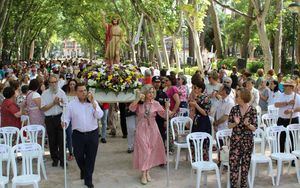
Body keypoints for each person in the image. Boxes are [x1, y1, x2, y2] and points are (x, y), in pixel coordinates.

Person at [62, 82, 103, 188]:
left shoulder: (93, 102)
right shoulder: (71, 105)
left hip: (92, 134)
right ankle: (84, 170)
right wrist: (64, 122)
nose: (83, 93)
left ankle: (88, 179)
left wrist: (94, 104)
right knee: (79, 156)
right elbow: (66, 117)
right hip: (78, 134)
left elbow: (99, 115)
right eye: (81, 91)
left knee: (91, 157)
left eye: (85, 90)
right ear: (76, 92)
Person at [129, 85, 166, 185]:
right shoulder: (139, 104)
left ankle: (146, 172)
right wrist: (137, 98)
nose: (151, 94)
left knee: (150, 151)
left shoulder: (156, 103)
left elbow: (164, 114)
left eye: (152, 92)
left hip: (153, 128)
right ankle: (144, 174)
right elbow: (131, 108)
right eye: (149, 92)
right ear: (144, 93)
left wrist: (169, 109)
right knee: (145, 151)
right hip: (141, 128)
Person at [228, 88, 257, 187]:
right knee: (233, 164)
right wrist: (235, 123)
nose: (236, 98)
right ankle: (233, 185)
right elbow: (229, 125)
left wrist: (248, 124)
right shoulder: (234, 109)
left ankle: (243, 185)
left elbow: (254, 128)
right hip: (235, 141)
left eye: (237, 96)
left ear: (243, 98)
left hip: (247, 142)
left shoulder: (252, 110)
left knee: (245, 165)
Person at [41, 74, 67, 168]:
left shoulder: (61, 92)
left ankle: (63, 161)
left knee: (62, 141)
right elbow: (43, 108)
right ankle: (55, 159)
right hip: (49, 119)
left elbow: (65, 106)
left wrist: (59, 103)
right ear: (49, 83)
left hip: (59, 118)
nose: (54, 84)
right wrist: (53, 103)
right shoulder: (44, 94)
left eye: (55, 82)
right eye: (52, 82)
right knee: (52, 141)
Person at [274, 79, 300, 153]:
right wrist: (287, 103)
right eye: (284, 85)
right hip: (281, 120)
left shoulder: (297, 96)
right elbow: (276, 104)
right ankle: (280, 156)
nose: (284, 87)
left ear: (291, 87)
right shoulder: (280, 95)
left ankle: (293, 158)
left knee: (293, 139)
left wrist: (292, 110)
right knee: (280, 139)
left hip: (293, 120)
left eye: (286, 86)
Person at [64, 79, 78, 161]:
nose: (72, 86)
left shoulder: (78, 95)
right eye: (71, 84)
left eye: (73, 84)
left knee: (77, 136)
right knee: (69, 136)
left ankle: (77, 151)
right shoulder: (65, 95)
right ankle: (71, 153)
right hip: (68, 118)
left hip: (76, 118)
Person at [152, 76, 168, 146]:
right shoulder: (149, 94)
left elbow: (166, 107)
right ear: (152, 83)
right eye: (155, 82)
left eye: (159, 82)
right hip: (151, 119)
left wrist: (165, 120)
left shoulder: (164, 94)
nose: (157, 84)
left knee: (161, 136)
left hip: (160, 119)